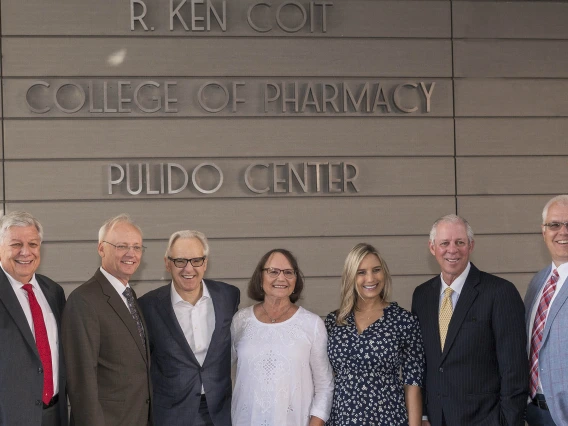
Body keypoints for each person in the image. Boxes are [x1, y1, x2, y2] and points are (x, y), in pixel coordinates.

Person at [412, 214, 528, 426]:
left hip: (486, 420)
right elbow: (424, 363)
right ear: (432, 247)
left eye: (460, 242)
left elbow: (515, 371)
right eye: (444, 243)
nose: (452, 250)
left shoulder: (500, 292)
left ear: (471, 245)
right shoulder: (421, 296)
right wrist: (425, 415)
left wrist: (506, 422)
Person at [138, 230, 240, 426]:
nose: (188, 268)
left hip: (219, 412)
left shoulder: (228, 296)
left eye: (196, 260)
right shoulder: (148, 306)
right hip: (171, 415)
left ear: (205, 263)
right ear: (167, 263)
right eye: (180, 261)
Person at [62, 214, 152, 426]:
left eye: (137, 247)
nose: (131, 253)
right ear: (101, 248)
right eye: (122, 246)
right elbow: (81, 381)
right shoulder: (84, 300)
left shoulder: (129, 296)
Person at [231, 248, 334, 426]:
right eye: (273, 271)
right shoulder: (241, 320)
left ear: (296, 279)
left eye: (288, 272)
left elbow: (325, 386)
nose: (281, 278)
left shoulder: (312, 324)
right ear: (260, 277)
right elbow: (218, 371)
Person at [325, 243, 424, 426]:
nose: (370, 278)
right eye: (361, 272)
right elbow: (323, 380)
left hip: (388, 419)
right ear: (351, 277)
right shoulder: (334, 321)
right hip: (341, 420)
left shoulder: (403, 320)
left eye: (376, 270)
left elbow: (413, 383)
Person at [0, 211, 68, 426]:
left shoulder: (53, 292)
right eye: (16, 244)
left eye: (33, 244)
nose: (25, 252)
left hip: (54, 414)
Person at [525, 195, 568, 426]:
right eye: (554, 224)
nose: (562, 232)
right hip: (535, 412)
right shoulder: (538, 283)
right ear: (543, 232)